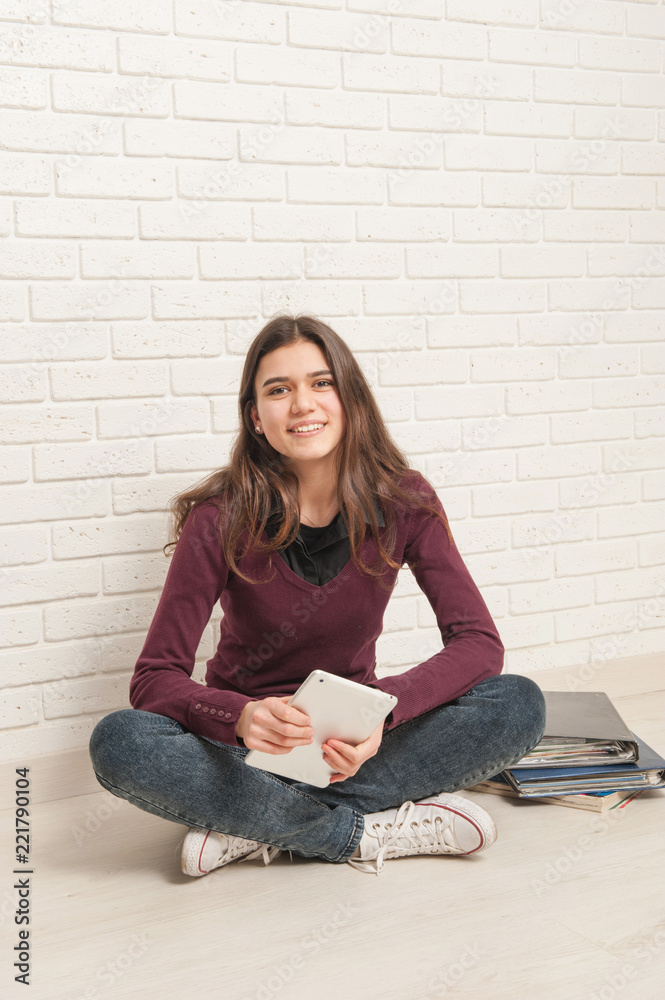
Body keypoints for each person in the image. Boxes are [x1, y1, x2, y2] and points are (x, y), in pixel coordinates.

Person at [89, 314, 546, 877]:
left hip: (353, 750)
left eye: (321, 382)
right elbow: (154, 677)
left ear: (349, 398)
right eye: (279, 390)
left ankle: (250, 824)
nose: (302, 404)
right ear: (257, 418)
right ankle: (358, 833)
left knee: (519, 703)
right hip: (243, 754)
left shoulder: (407, 501)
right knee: (120, 740)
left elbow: (478, 642)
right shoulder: (219, 518)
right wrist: (240, 716)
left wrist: (388, 712)